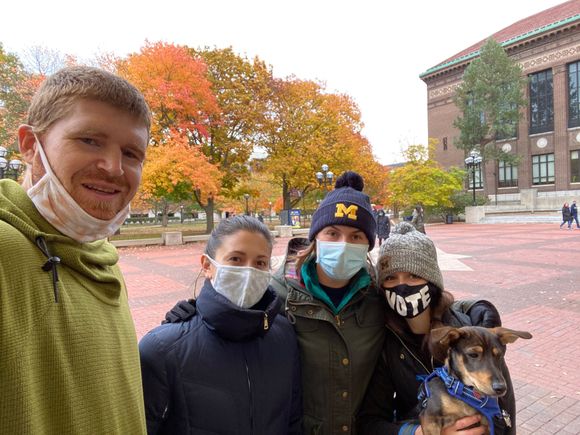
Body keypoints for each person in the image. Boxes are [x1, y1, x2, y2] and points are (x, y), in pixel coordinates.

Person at [0, 66, 151, 433]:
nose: (114, 168)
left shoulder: (105, 261)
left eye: (131, 153)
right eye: (89, 140)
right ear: (30, 145)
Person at [140, 215, 302, 434]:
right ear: (207, 265)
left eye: (260, 263)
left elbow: (292, 419)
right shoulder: (162, 348)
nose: (249, 271)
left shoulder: (284, 336)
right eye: (236, 259)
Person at [357, 223, 515, 435]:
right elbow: (370, 422)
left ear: (431, 281)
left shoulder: (472, 337)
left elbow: (505, 413)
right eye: (391, 278)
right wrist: (419, 433)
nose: (402, 286)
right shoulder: (386, 343)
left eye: (413, 275)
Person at [271, 171, 386, 434]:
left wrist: (471, 310)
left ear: (368, 244)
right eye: (332, 233)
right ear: (315, 238)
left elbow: (425, 309)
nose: (343, 245)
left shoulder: (377, 296)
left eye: (356, 236)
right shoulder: (277, 293)